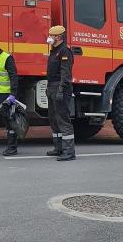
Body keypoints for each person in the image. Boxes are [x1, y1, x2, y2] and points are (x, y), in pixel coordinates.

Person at [46, 25, 75, 161]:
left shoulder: (64, 51)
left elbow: (65, 73)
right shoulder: (54, 50)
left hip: (60, 88)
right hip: (52, 87)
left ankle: (69, 151)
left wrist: (61, 89)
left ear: (58, 37)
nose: (49, 37)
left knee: (63, 119)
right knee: (54, 119)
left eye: (51, 35)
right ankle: (58, 148)